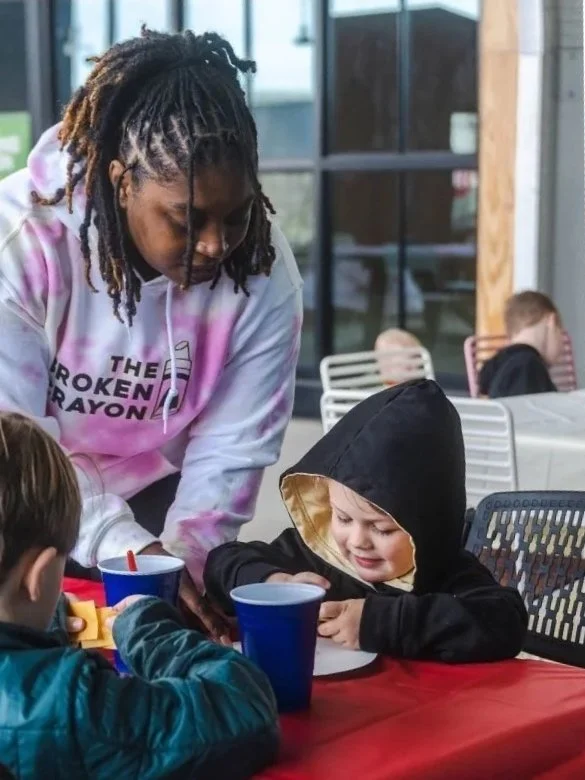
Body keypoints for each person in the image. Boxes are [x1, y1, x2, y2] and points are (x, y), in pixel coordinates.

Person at [0, 28, 302, 633]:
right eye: (187, 221)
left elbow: (233, 447)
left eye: (237, 216)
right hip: (23, 489)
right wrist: (121, 547)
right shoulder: (23, 244)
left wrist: (180, 565)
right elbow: (17, 446)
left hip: (156, 488)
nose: (217, 244)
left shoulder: (263, 275)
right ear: (121, 180)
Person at [0, 411, 279, 779]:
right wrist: (149, 631)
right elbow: (244, 710)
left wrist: (39, 629)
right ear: (38, 576)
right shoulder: (70, 701)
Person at [205, 380, 528, 662]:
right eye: (343, 518)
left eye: (381, 528)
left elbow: (505, 623)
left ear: (427, 528)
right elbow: (224, 560)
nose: (357, 540)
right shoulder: (316, 558)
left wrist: (380, 623)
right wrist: (274, 583)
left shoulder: (450, 575)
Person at [478, 291, 563, 398]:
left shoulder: (499, 366)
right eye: (560, 332)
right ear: (551, 321)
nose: (562, 344)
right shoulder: (527, 366)